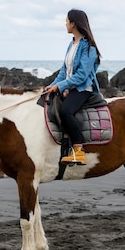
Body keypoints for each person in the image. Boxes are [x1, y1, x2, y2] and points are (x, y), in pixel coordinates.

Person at [45, 9, 101, 165]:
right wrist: (52, 86)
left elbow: (82, 76)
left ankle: (78, 151)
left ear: (73, 23)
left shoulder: (89, 47)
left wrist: (60, 86)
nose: (65, 24)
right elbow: (64, 71)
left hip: (83, 89)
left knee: (66, 111)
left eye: (67, 21)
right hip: (71, 87)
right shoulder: (72, 44)